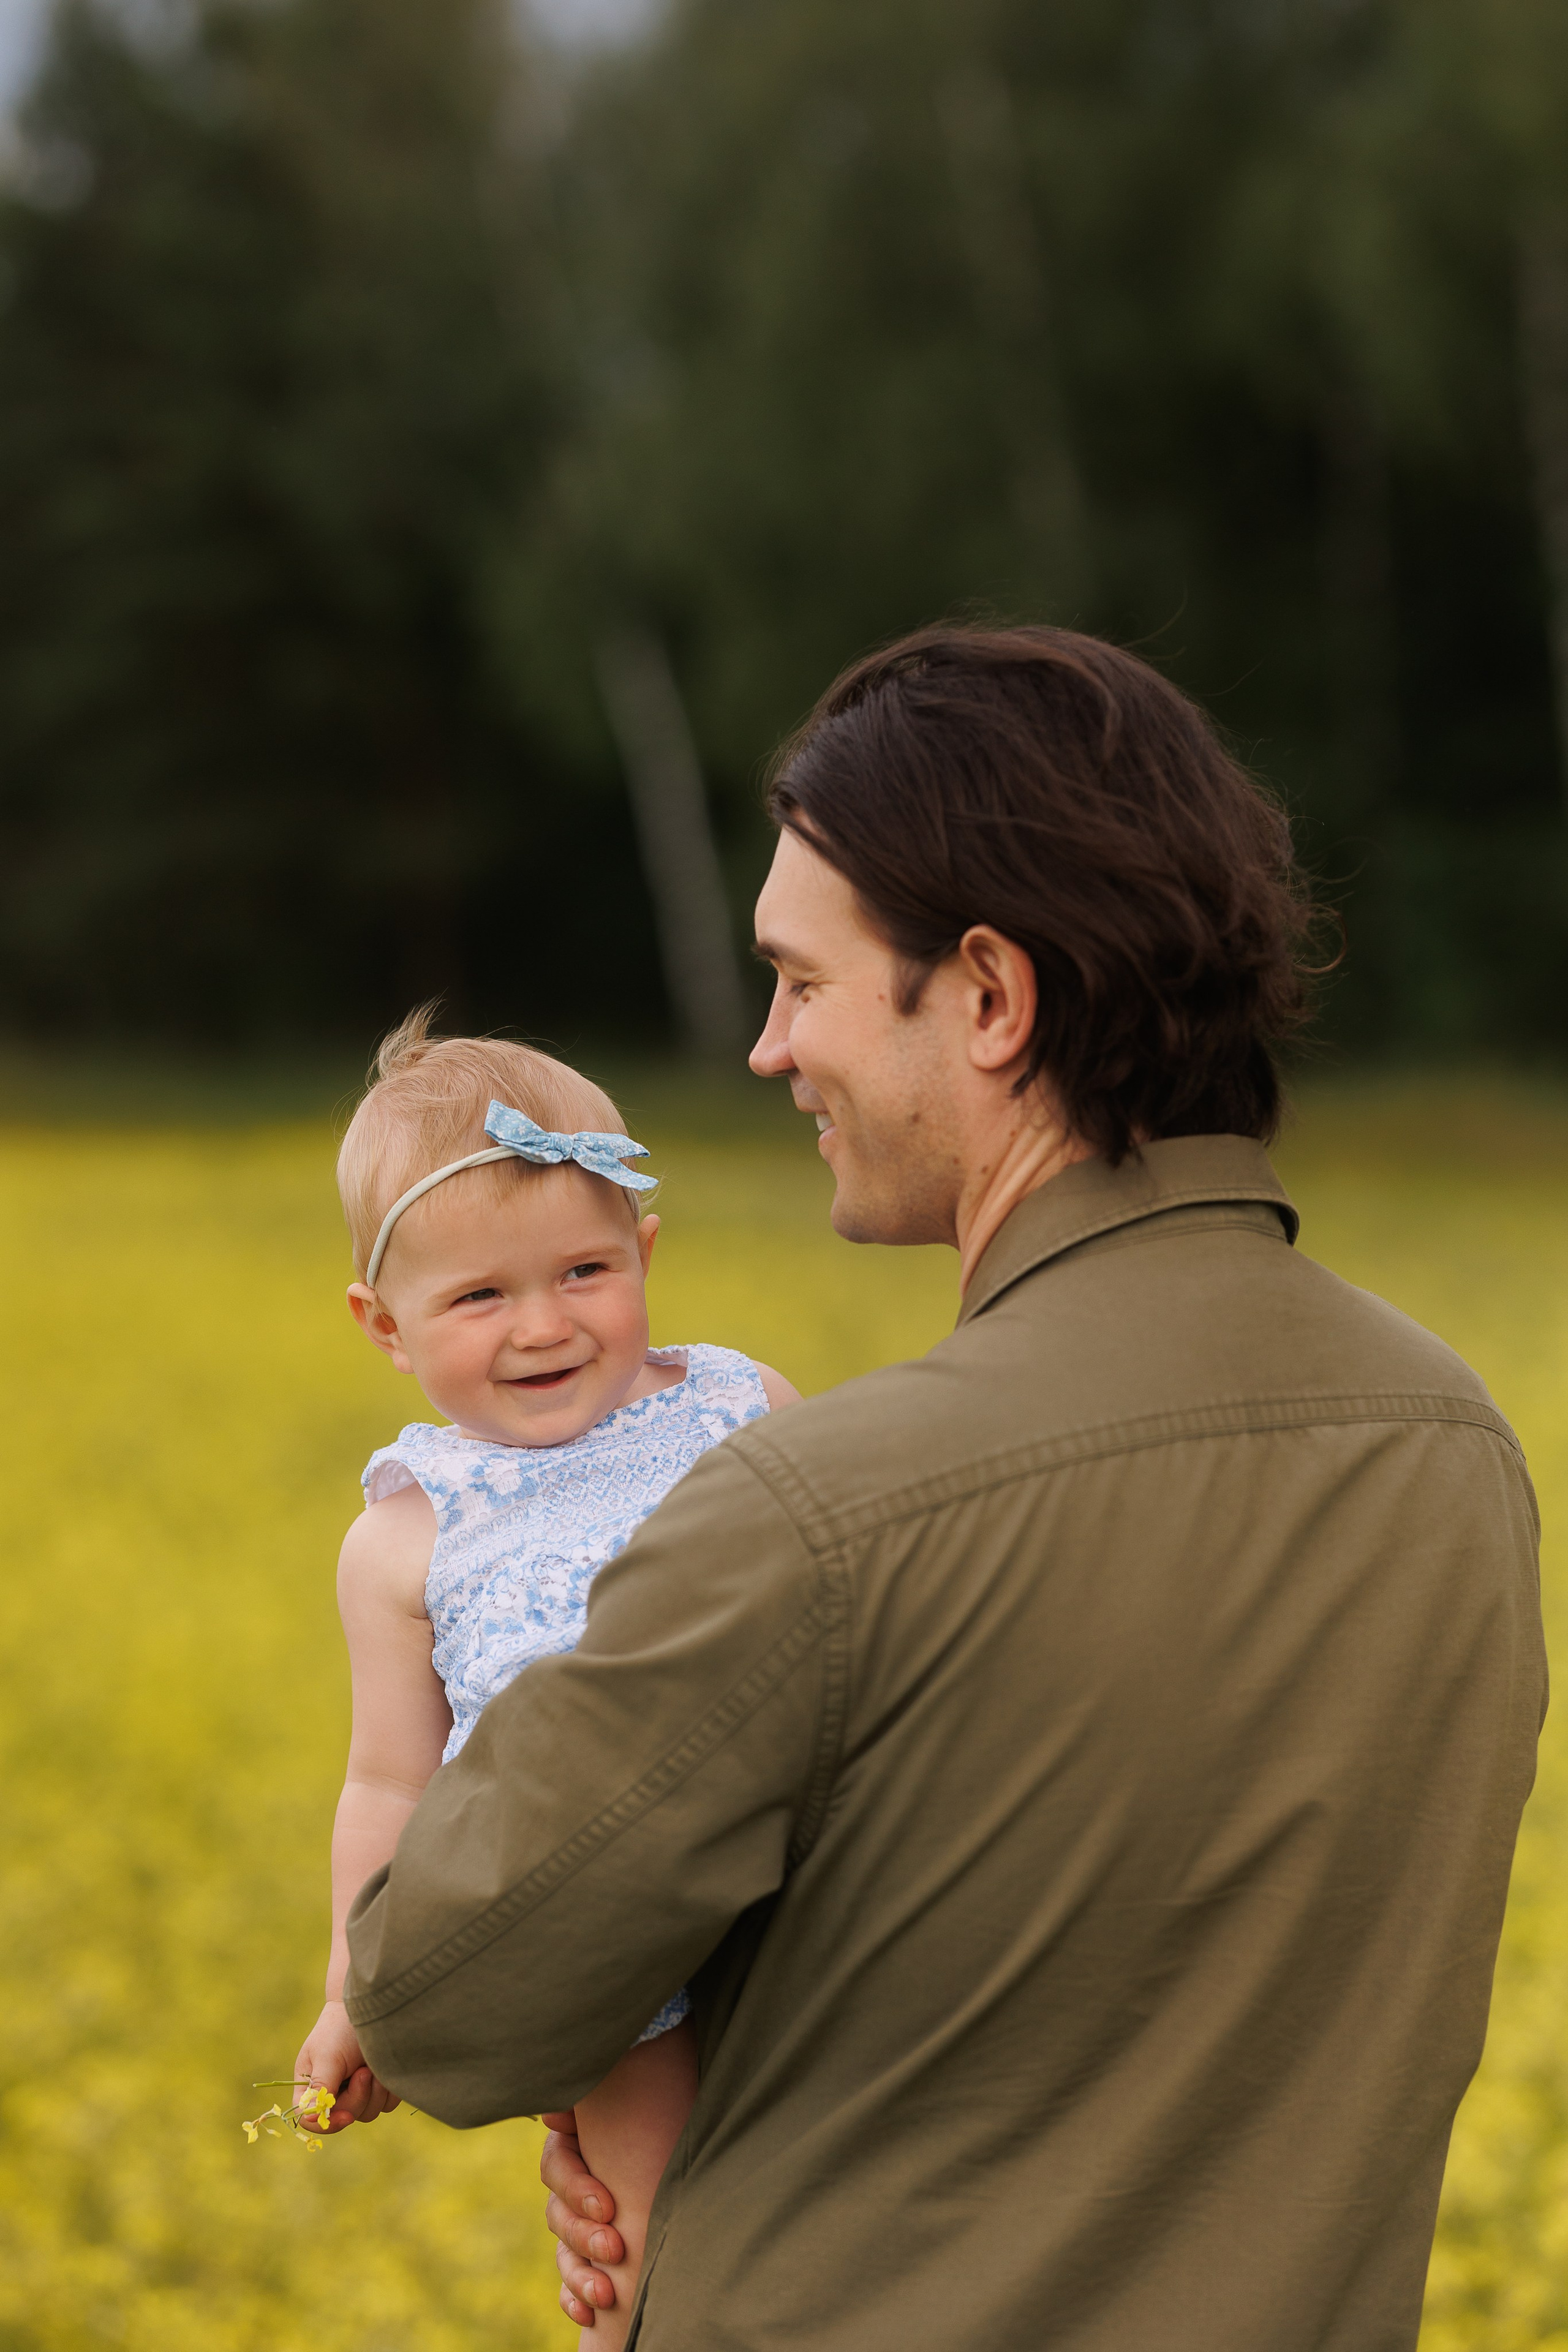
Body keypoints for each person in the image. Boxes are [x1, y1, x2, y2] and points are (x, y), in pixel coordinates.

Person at [343, 627, 1545, 2351]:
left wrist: (474, 1610)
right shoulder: (1453, 1443)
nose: (766, 1049)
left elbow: (445, 2004)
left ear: (990, 995)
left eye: (803, 983)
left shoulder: (817, 1506)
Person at [292, 1010, 798, 2348]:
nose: (542, 1326)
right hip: (603, 1943)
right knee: (648, 2246)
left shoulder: (738, 1406)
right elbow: (390, 1780)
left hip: (809, 1873)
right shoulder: (410, 1533)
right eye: (477, 1297)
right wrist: (356, 1990)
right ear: (383, 1327)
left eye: (583, 1269)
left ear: (643, 1249)